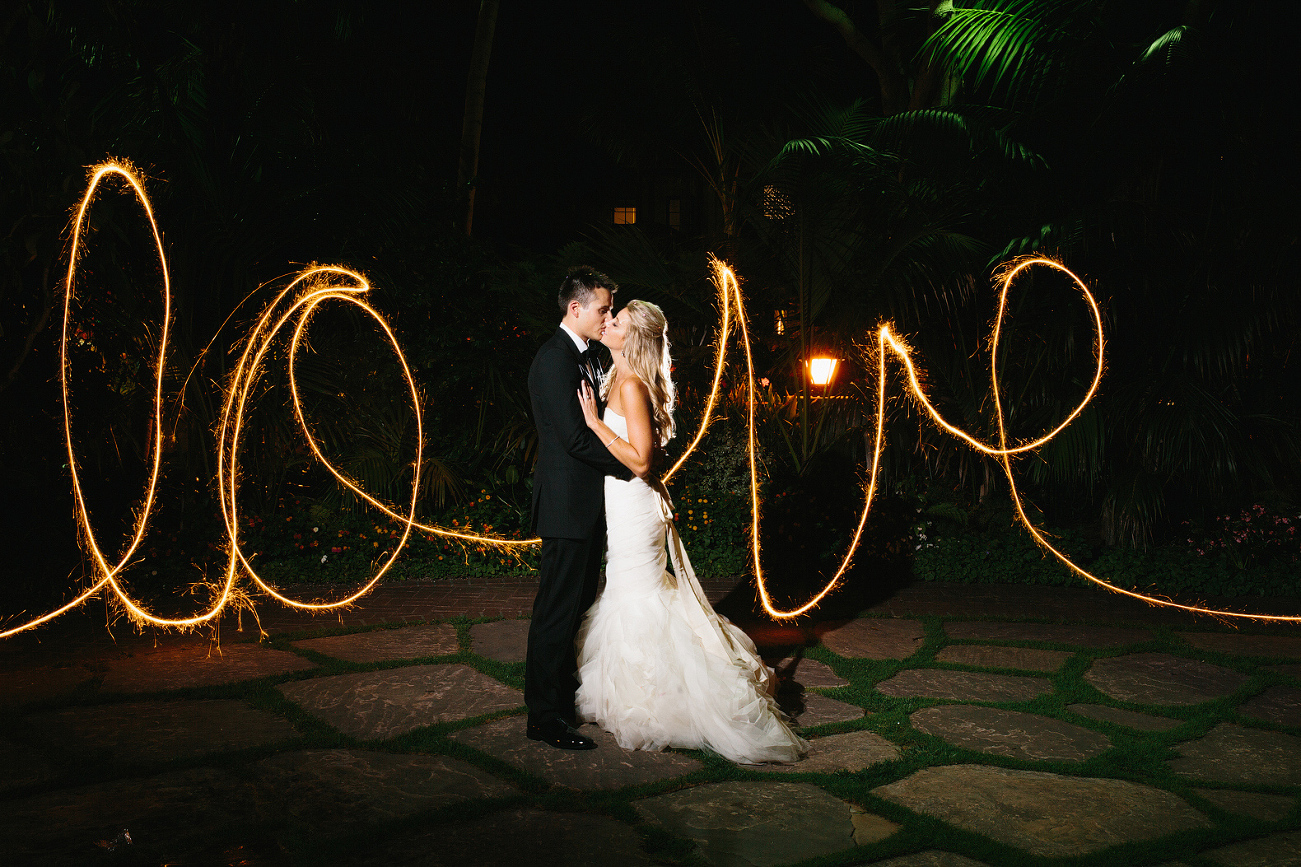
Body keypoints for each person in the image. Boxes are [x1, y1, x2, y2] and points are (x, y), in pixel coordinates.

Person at [575, 300, 808, 764]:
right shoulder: (619, 377)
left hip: (634, 505)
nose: (608, 322)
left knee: (637, 592)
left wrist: (596, 425)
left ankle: (667, 697)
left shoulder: (633, 386)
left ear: (632, 338)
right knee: (630, 587)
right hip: (625, 503)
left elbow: (642, 459)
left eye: (616, 321)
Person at [525, 266, 632, 750]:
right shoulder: (555, 361)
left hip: (585, 506)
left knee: (575, 611)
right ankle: (543, 718)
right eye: (603, 308)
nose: (607, 316)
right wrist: (630, 465)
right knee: (556, 612)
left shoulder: (584, 357)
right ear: (576, 308)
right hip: (567, 508)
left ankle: (562, 702)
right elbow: (571, 438)